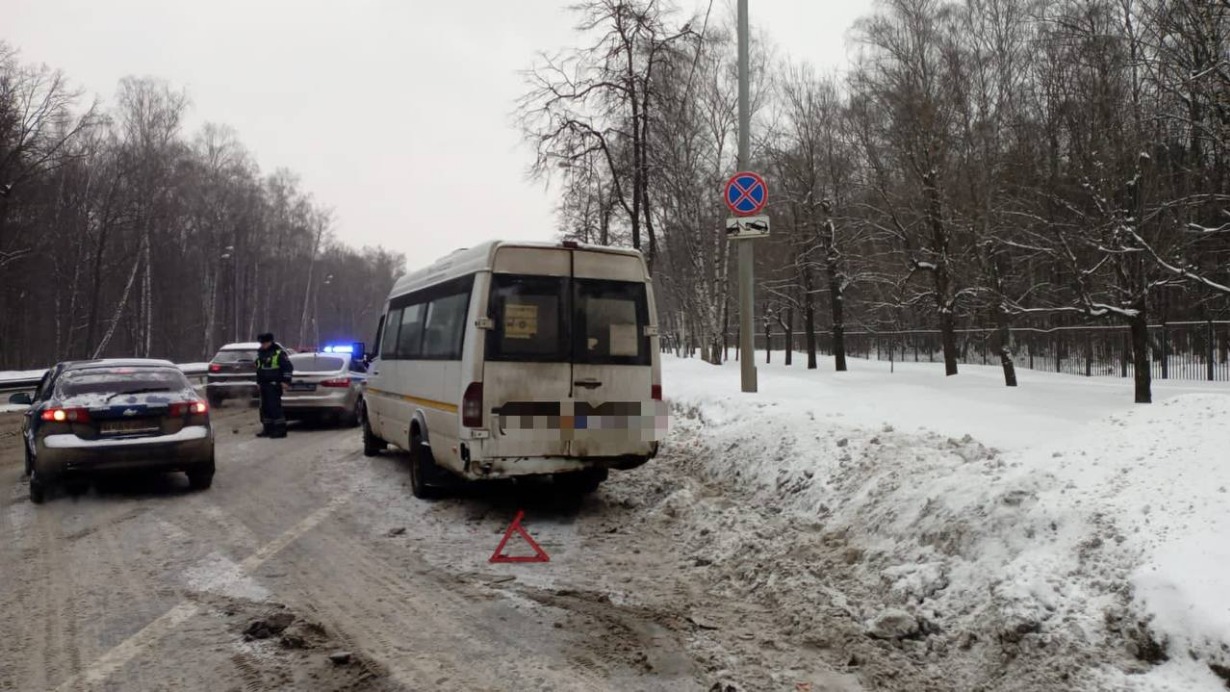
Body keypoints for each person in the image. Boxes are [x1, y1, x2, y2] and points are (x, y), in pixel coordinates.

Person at [254, 332, 293, 438]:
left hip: (274, 384)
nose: (263, 345)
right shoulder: (260, 354)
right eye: (261, 343)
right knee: (264, 408)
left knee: (274, 407)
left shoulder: (278, 353)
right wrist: (258, 382)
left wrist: (286, 381)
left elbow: (288, 368)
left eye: (264, 343)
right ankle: (268, 429)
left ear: (270, 342)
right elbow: (259, 369)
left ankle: (280, 430)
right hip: (264, 385)